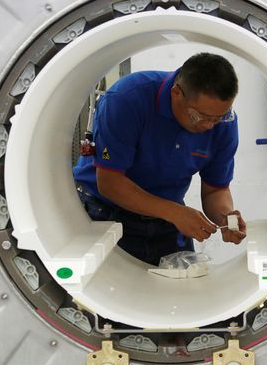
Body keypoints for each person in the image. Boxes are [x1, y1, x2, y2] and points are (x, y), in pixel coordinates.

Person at [73, 52, 247, 266]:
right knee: (103, 292)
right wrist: (175, 213)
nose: (209, 126)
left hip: (168, 220)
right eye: (200, 117)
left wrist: (224, 217)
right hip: (105, 213)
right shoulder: (127, 99)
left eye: (219, 117)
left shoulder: (224, 124)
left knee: (181, 292)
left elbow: (215, 190)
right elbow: (110, 183)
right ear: (176, 93)